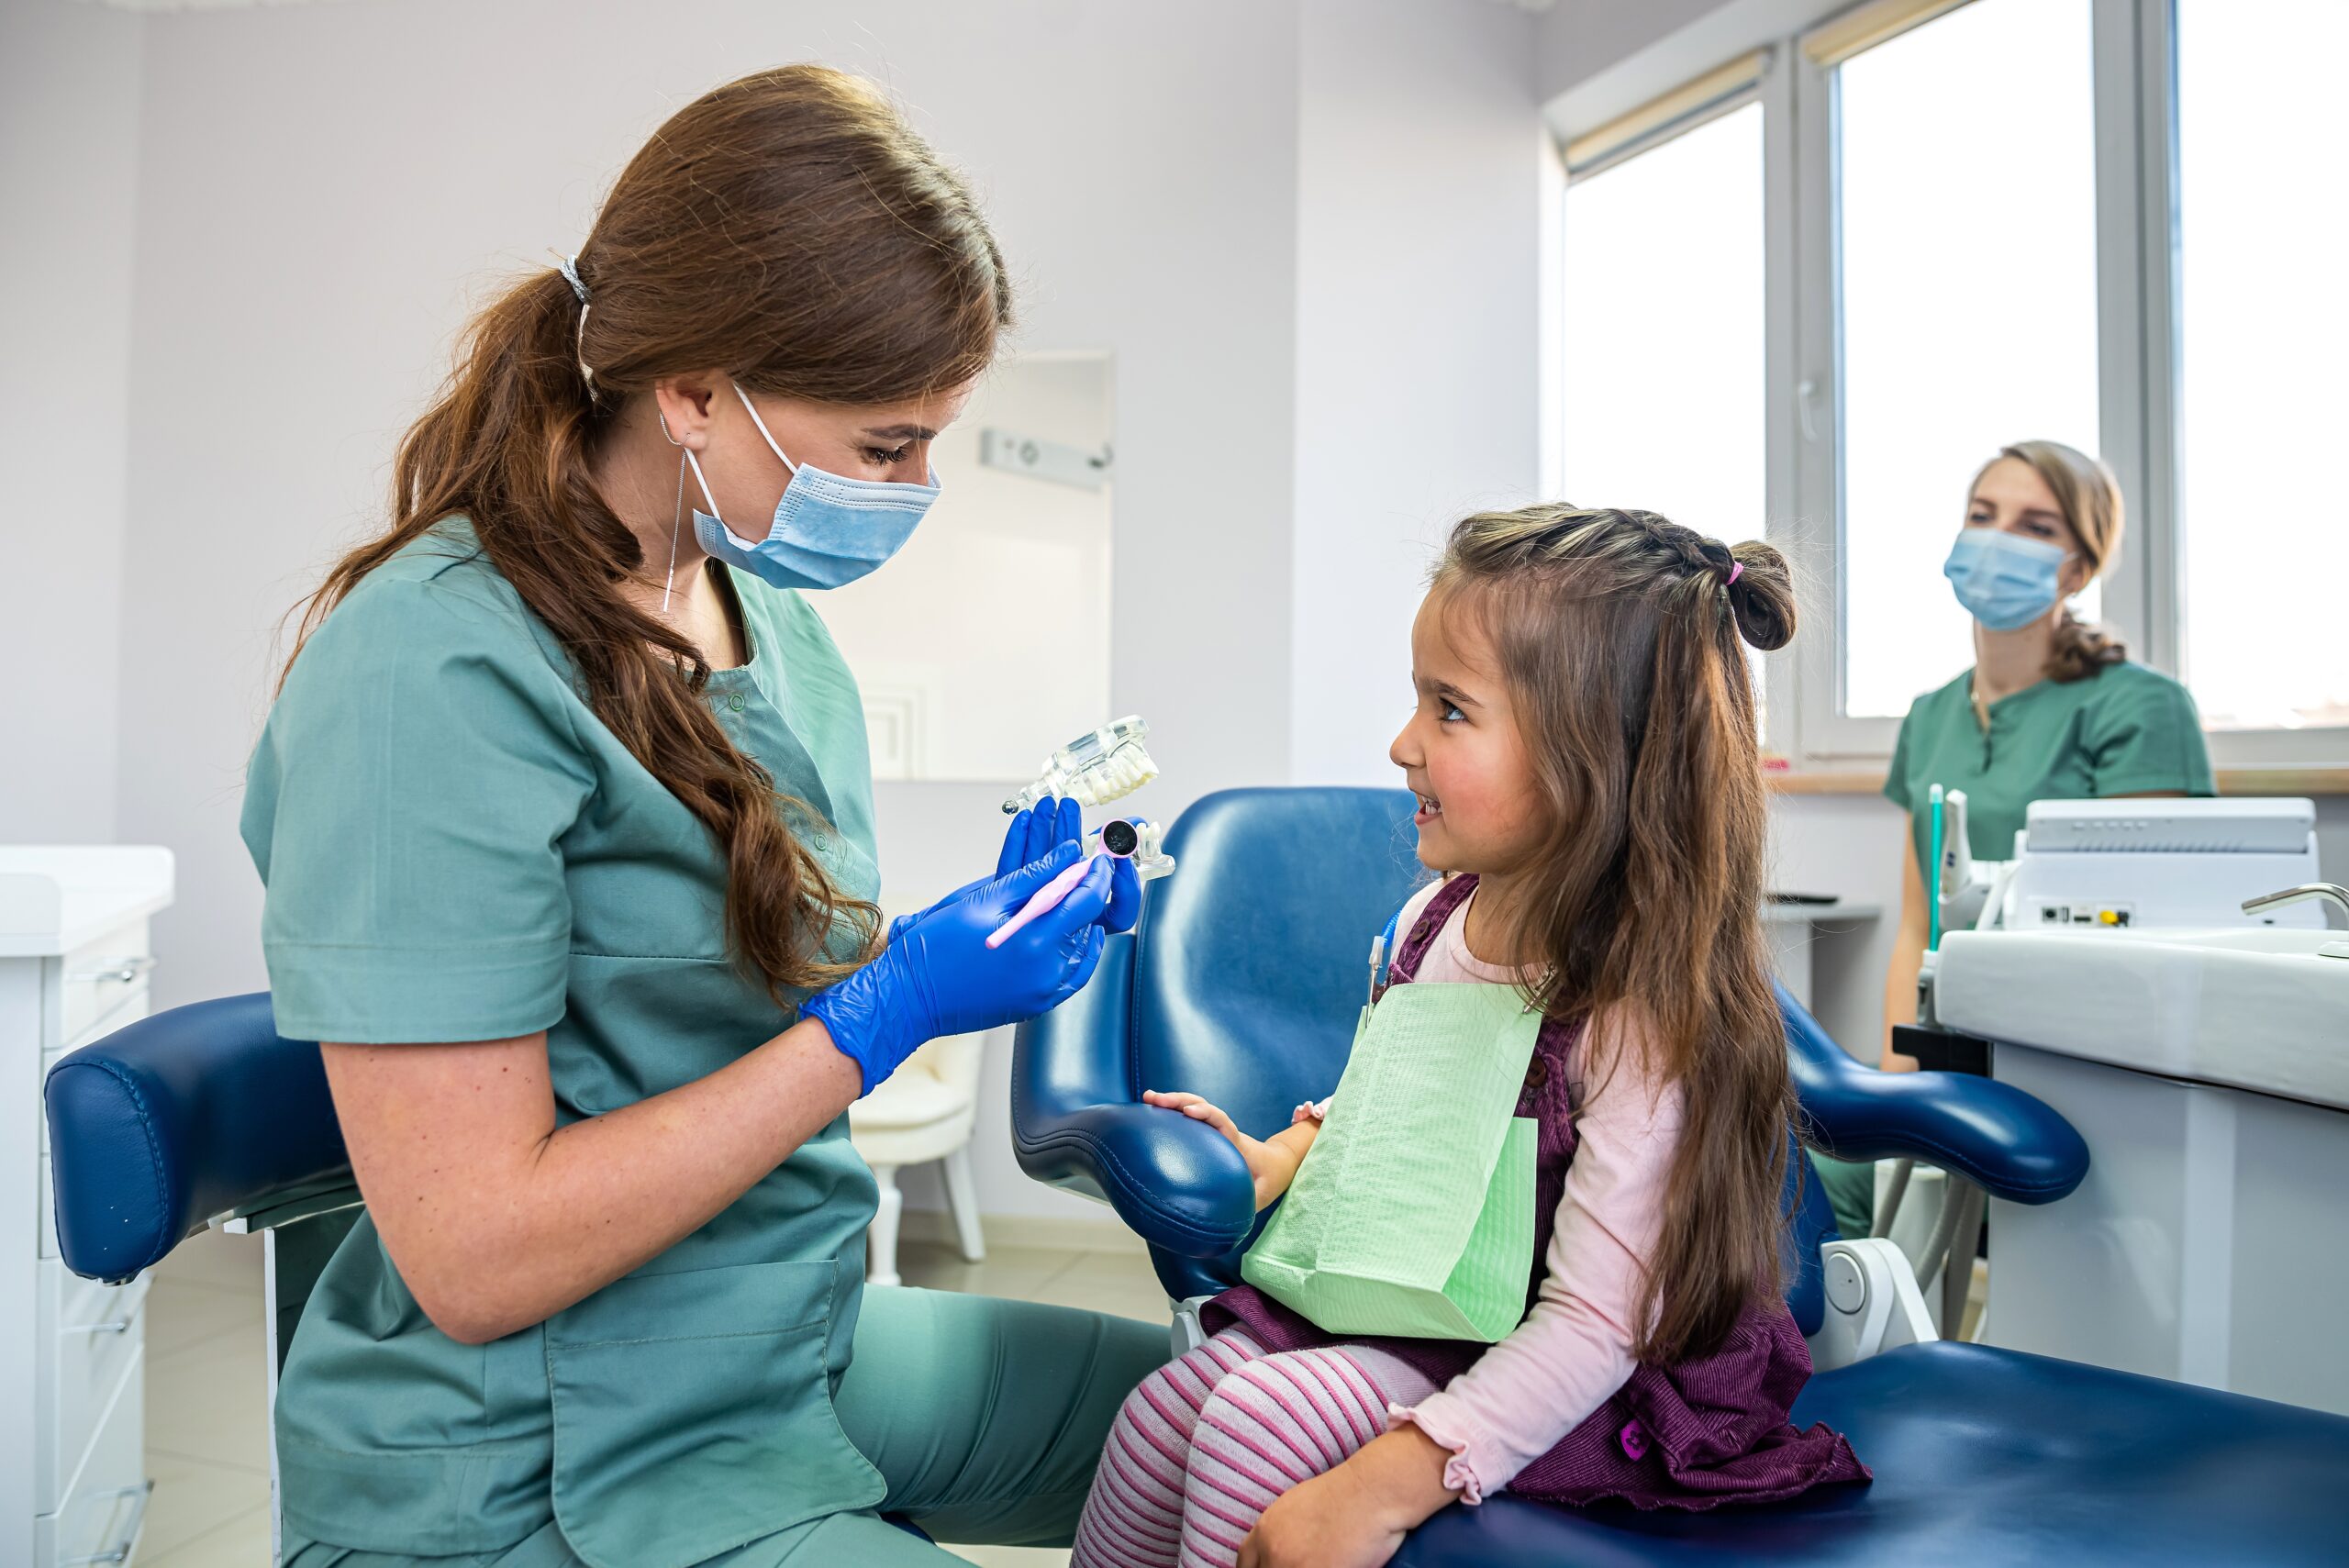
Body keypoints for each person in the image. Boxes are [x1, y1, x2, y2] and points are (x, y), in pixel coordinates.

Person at [239, 66, 1164, 1567]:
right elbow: (473, 1257)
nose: (921, 488)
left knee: (1238, 1437)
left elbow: (730, 988)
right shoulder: (426, 669)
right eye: (884, 445)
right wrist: (890, 1006)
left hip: (772, 1343)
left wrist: (967, 939)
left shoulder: (767, 621)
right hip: (539, 1450)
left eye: (936, 438)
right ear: (691, 391)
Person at [1067, 507, 1868, 1568]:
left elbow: (1594, 1325)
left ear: (1599, 754)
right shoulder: (1428, 922)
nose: (1402, 744)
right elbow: (1399, 1110)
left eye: (1449, 709)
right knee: (1162, 1414)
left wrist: (1373, 1493)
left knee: (1261, 1416)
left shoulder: (1638, 1007)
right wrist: (1279, 1157)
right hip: (1422, 1315)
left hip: (1587, 1372)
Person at [1820, 440, 2214, 1242]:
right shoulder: (1930, 716)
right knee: (1807, 1170)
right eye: (1982, 516)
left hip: (2079, 1061)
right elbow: (1917, 930)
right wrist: (1899, 1088)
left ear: (2077, 567)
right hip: (1949, 1051)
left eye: (2035, 525)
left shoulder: (2140, 709)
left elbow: (2152, 941)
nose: (1999, 539)